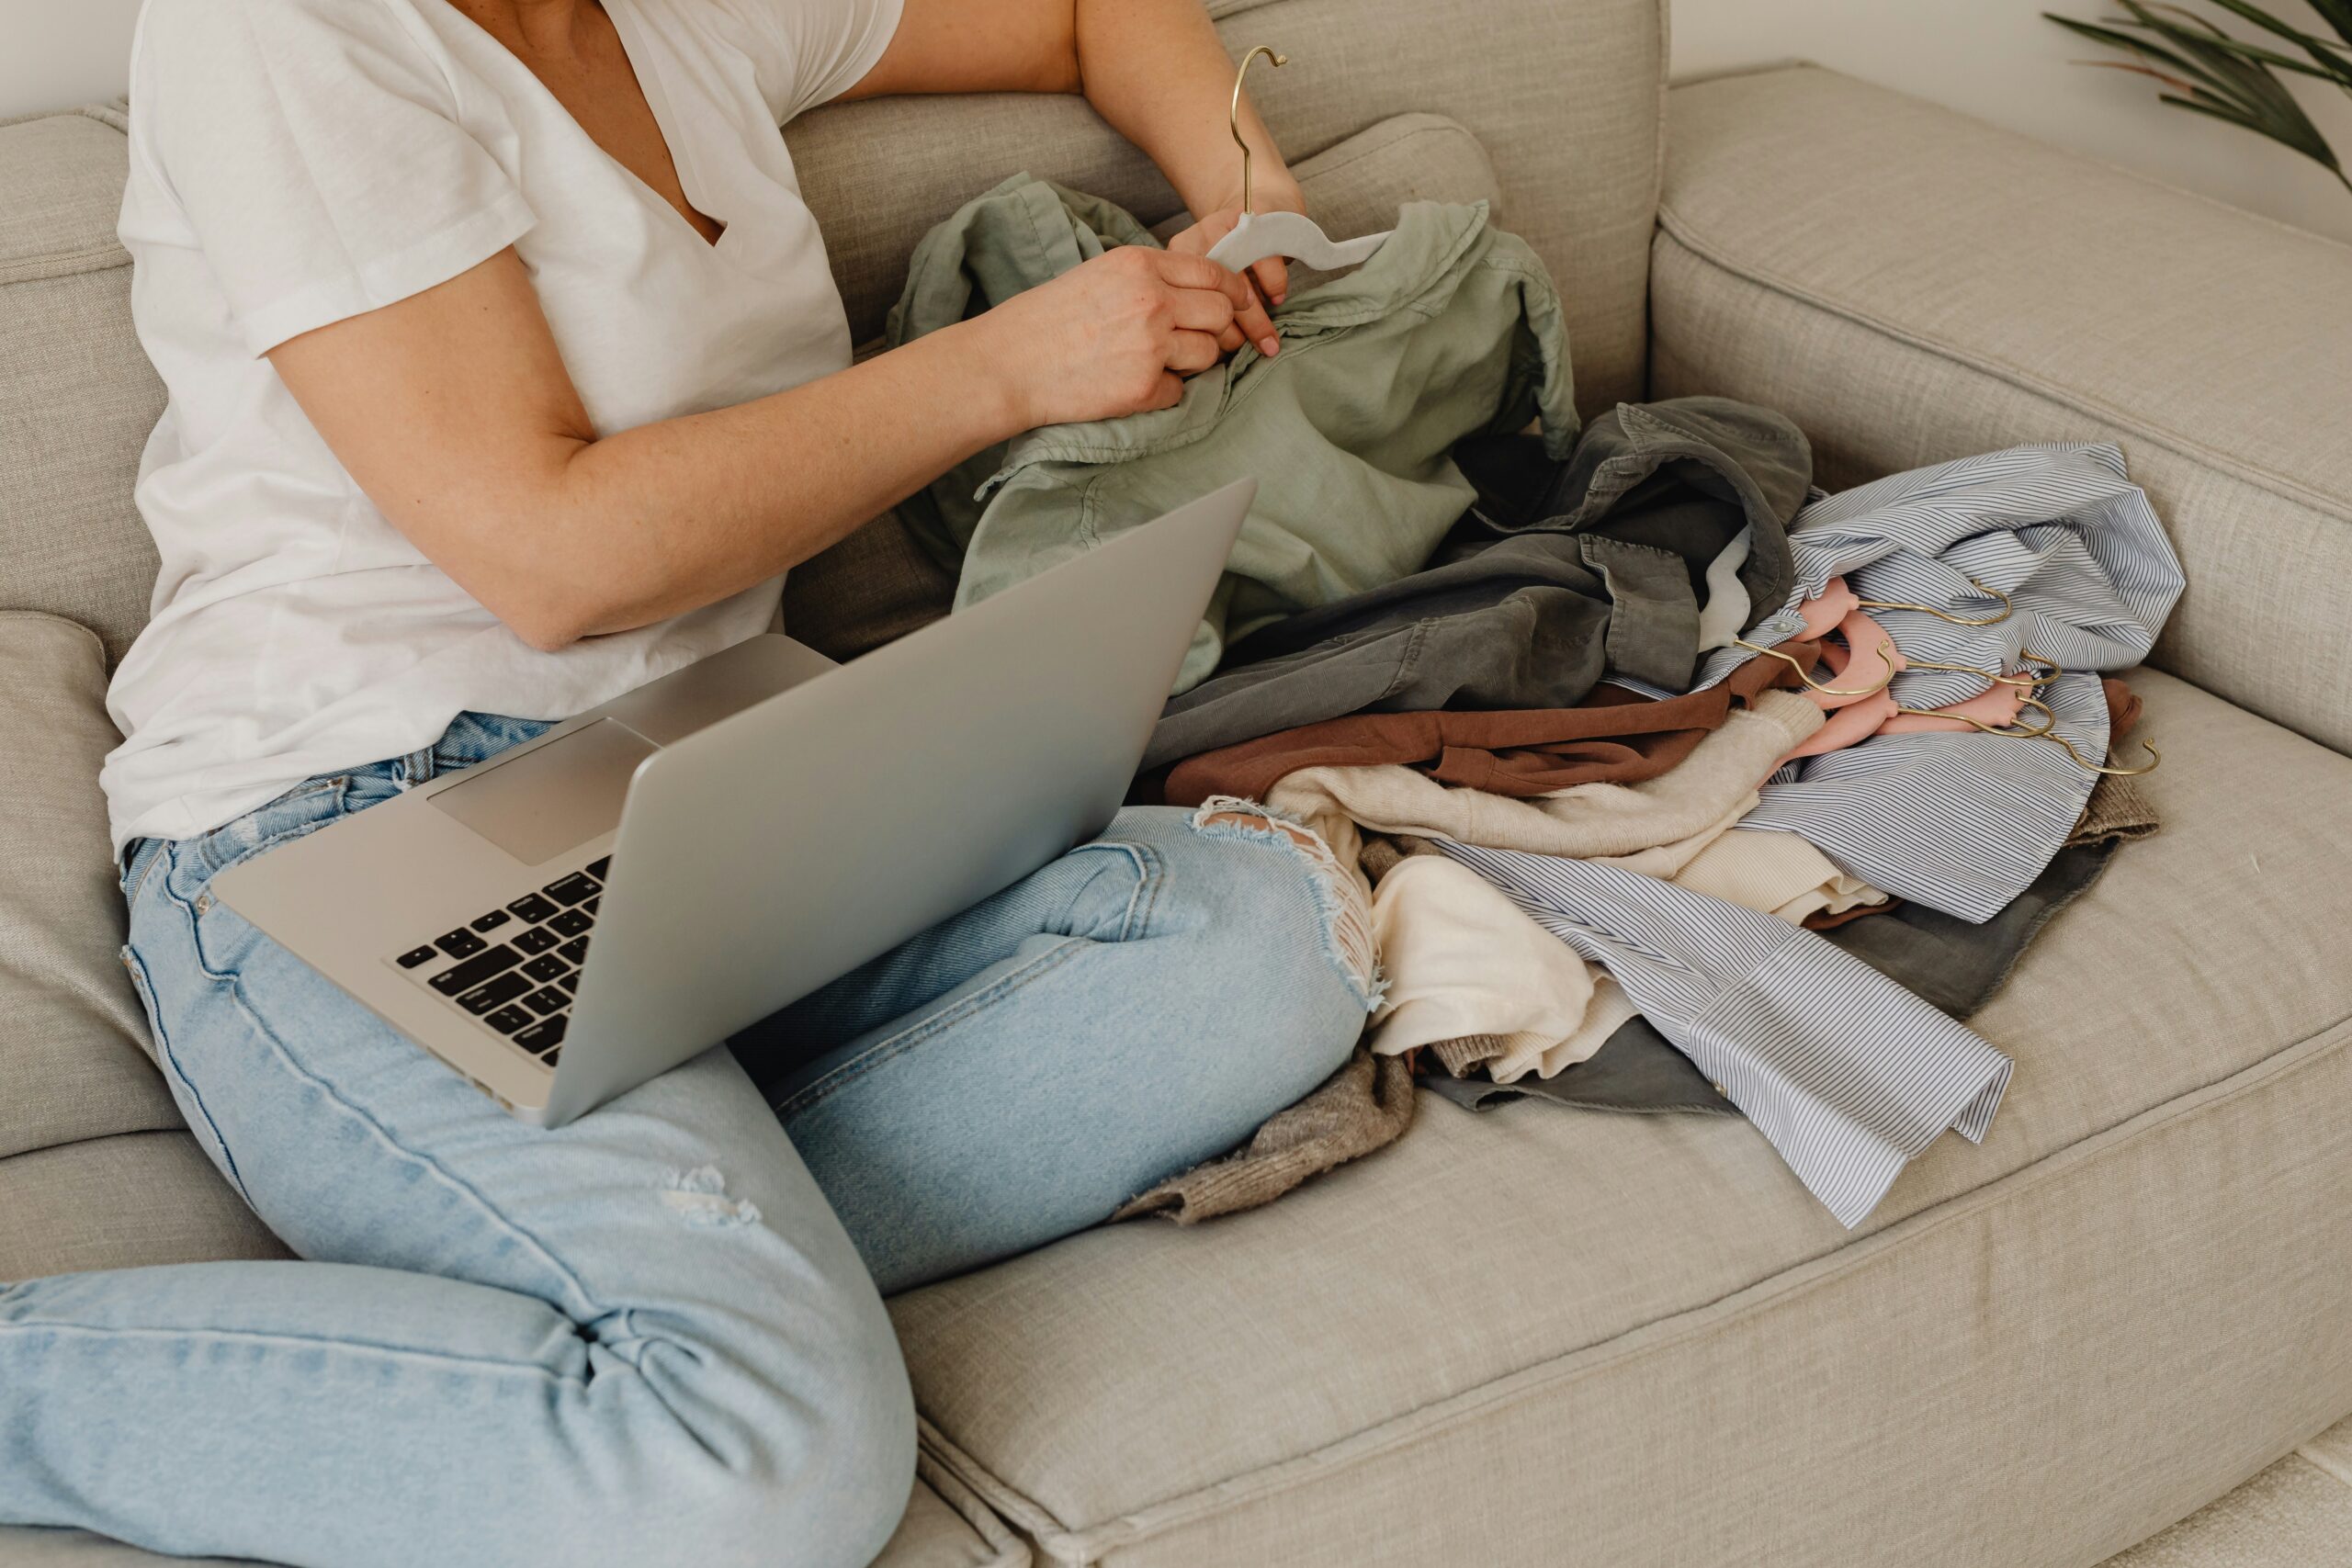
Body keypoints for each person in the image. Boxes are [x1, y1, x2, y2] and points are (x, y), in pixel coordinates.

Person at [0, 2, 1380, 1563]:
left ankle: (636, 1258)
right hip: (352, 830)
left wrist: (1256, 195)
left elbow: (1085, 11)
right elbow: (553, 557)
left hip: (704, 791)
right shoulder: (285, 33)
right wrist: (1009, 367)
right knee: (762, 1467)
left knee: (1271, 932)